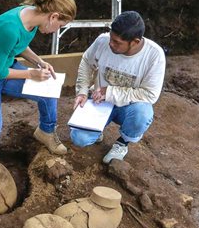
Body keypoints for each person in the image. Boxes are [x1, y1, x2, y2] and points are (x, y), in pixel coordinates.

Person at [0, 0, 76, 155]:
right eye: (60, 26)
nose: (57, 31)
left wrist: (39, 61)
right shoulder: (10, 28)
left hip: (4, 69)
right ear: (53, 17)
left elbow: (20, 45)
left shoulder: (30, 20)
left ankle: (45, 131)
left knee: (49, 89)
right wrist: (31, 74)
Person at [70, 10, 166, 164]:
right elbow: (87, 62)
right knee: (79, 139)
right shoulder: (102, 41)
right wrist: (82, 91)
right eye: (111, 38)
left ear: (135, 41)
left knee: (142, 114)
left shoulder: (154, 55)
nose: (111, 44)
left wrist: (109, 92)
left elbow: (150, 95)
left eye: (117, 42)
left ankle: (122, 143)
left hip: (128, 107)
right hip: (98, 102)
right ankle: (97, 129)